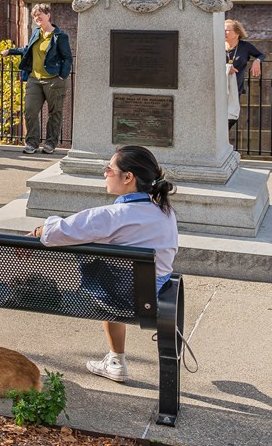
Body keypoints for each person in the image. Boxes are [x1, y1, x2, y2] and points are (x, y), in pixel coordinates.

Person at [32, 145, 178, 384]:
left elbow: (58, 233)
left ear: (128, 177)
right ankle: (115, 361)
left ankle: (117, 359)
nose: (104, 174)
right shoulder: (165, 213)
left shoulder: (110, 216)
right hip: (151, 298)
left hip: (113, 300)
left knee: (105, 275)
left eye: (108, 169)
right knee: (119, 275)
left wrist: (38, 230)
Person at [6, 4, 74, 154]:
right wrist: (11, 51)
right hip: (34, 80)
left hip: (54, 80)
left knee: (55, 113)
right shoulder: (36, 33)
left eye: (40, 14)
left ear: (48, 15)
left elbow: (67, 58)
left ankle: (50, 143)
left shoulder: (59, 36)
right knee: (29, 110)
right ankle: (32, 143)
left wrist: (62, 76)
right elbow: (27, 49)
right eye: (35, 15)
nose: (37, 17)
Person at [224, 19, 264, 132]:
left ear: (237, 33)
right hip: (218, 88)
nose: (223, 32)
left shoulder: (245, 46)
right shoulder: (217, 45)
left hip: (236, 88)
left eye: (226, 30)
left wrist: (257, 61)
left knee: (231, 117)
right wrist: (226, 67)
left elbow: (261, 54)